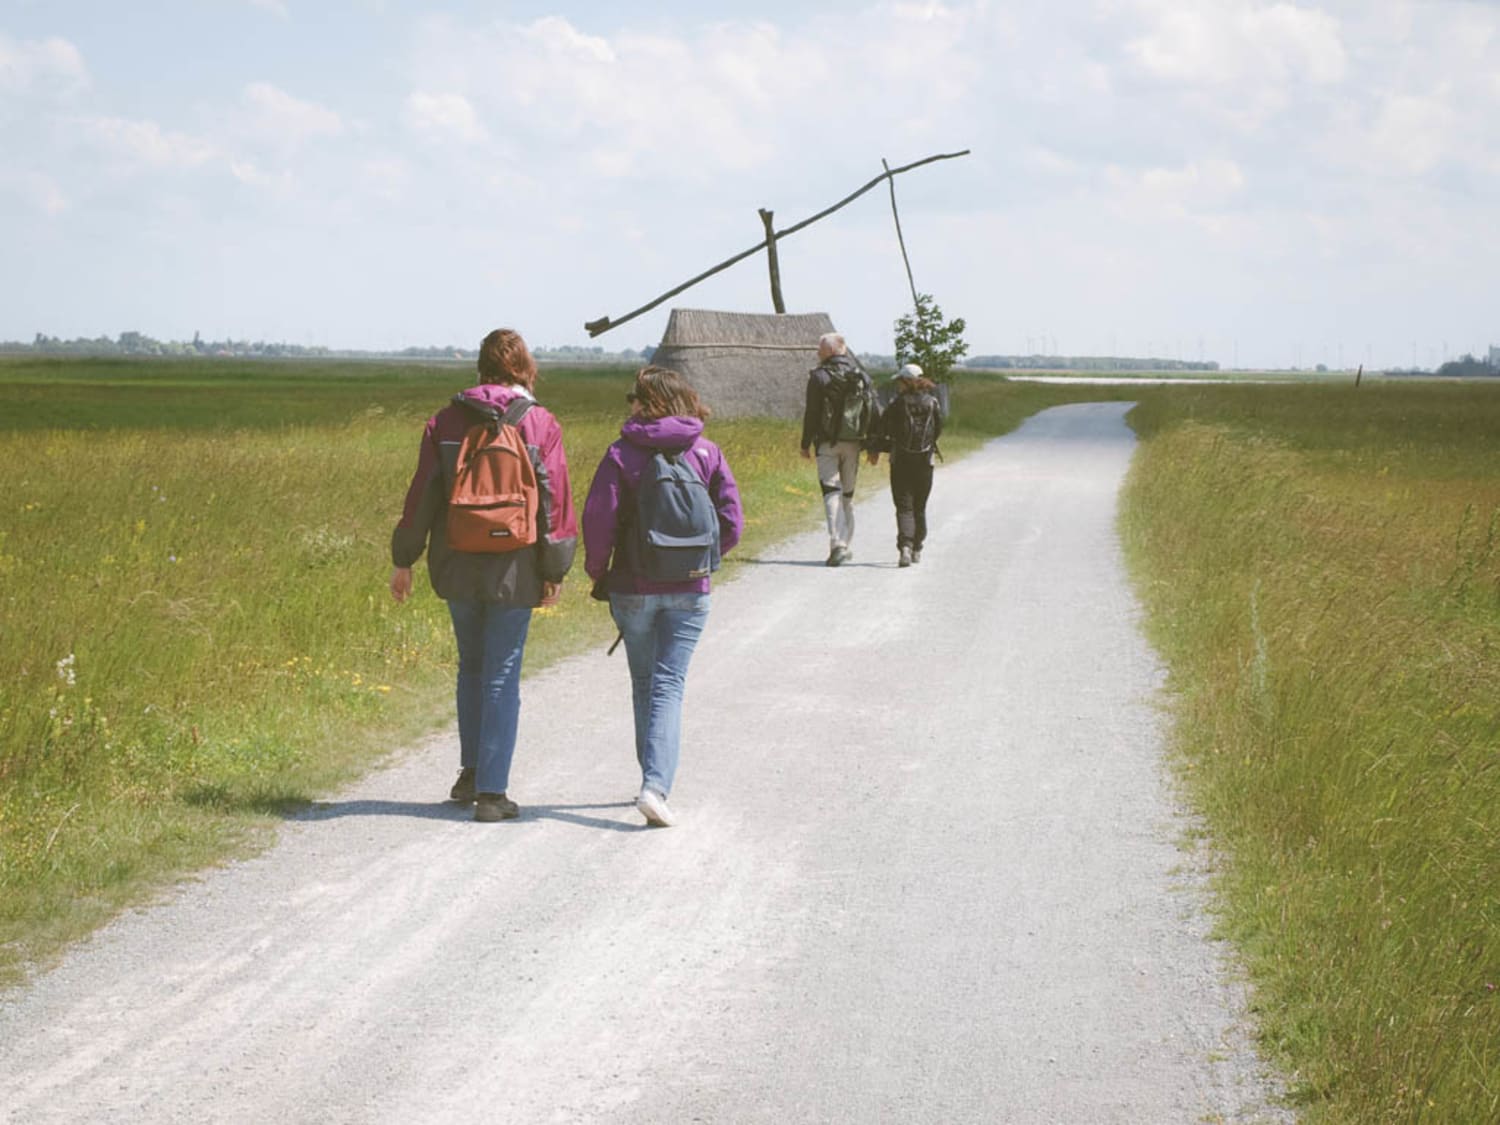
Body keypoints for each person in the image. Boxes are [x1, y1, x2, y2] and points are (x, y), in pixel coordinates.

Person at [389, 328, 577, 823]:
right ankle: (492, 794)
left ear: (480, 366)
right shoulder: (539, 423)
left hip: (456, 560)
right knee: (501, 671)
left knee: (471, 666)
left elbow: (422, 494)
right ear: (525, 367)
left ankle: (470, 773)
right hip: (516, 564)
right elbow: (555, 500)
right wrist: (555, 567)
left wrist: (403, 558)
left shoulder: (446, 420)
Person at [582, 366, 743, 828]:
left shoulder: (621, 454)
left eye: (634, 396)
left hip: (633, 587)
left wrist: (600, 573)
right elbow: (732, 520)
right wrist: (705, 562)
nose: (629, 403)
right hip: (691, 589)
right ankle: (655, 785)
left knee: (645, 684)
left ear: (645, 403)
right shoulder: (707, 451)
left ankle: (651, 782)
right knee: (670, 683)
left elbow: (599, 521)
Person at [800, 332, 877, 566]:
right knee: (847, 496)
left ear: (831, 351)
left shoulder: (819, 377)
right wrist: (873, 446)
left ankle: (837, 545)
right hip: (853, 444)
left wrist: (805, 444)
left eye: (820, 349)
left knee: (830, 492)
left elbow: (812, 413)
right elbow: (873, 412)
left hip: (826, 444)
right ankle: (845, 543)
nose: (817, 353)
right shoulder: (861, 376)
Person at [867, 363, 943, 568]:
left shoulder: (897, 404)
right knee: (920, 506)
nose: (897, 385)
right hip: (925, 461)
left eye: (899, 381)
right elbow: (938, 431)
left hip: (900, 460)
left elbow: (882, 428)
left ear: (905, 381)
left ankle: (905, 548)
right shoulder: (933, 402)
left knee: (904, 506)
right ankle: (918, 546)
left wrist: (875, 448)